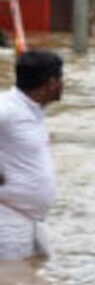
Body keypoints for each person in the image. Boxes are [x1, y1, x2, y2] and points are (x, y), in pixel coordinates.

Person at [0, 50, 63, 260]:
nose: (64, 84)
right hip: (8, 219)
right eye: (61, 78)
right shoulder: (7, 108)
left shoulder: (33, 111)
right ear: (51, 82)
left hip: (32, 220)